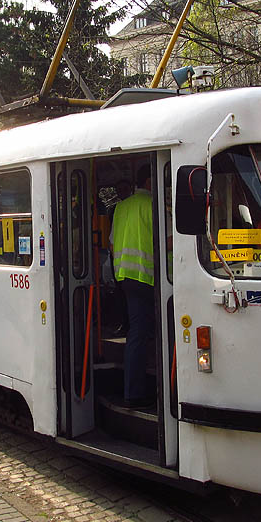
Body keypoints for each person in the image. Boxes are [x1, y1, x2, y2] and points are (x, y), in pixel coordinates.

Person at [110, 164, 155, 408]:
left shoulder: (121, 207)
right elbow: (171, 241)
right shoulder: (153, 205)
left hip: (125, 277)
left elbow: (112, 242)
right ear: (151, 182)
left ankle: (134, 390)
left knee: (137, 333)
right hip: (149, 278)